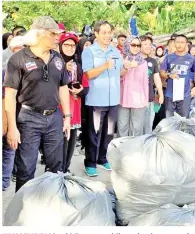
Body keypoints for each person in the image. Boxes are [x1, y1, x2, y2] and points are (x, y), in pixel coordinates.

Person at [4, 16, 70, 192]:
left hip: (54, 117)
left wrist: (67, 116)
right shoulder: (18, 59)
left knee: (56, 166)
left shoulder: (57, 58)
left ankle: (54, 201)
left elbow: (63, 87)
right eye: (53, 34)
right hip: (28, 119)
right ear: (40, 34)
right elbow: (10, 95)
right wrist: (12, 127)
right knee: (26, 168)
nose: (58, 38)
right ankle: (23, 210)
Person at [81, 20, 129, 176]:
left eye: (110, 32)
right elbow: (88, 74)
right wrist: (104, 66)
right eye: (104, 32)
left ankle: (103, 158)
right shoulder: (89, 51)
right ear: (96, 33)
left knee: (108, 132)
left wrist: (127, 68)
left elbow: (119, 72)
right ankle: (91, 163)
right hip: (96, 100)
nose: (108, 35)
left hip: (113, 99)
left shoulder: (115, 52)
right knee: (94, 133)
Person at [58, 32, 85, 174]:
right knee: (60, 143)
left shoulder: (77, 65)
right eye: (66, 44)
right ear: (60, 46)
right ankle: (57, 172)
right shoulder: (54, 62)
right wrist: (63, 68)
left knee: (71, 142)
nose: (70, 48)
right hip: (60, 110)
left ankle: (66, 169)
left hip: (75, 110)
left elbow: (86, 86)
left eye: (73, 45)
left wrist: (80, 91)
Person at [2, 36, 25, 191]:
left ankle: (4, 181)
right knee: (8, 148)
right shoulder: (5, 69)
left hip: (21, 114)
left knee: (11, 148)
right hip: (6, 113)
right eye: (17, 50)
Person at [160, 34, 195, 118]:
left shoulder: (192, 59)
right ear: (174, 43)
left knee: (183, 120)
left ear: (186, 44)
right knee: (170, 121)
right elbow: (162, 73)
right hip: (170, 94)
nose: (179, 44)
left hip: (185, 95)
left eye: (182, 42)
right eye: (177, 42)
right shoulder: (168, 57)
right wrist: (169, 75)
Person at [117, 36, 148, 137]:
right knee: (122, 126)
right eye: (133, 45)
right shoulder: (121, 59)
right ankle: (121, 149)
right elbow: (117, 77)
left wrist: (145, 99)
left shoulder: (143, 63)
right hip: (122, 98)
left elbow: (145, 82)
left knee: (136, 128)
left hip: (138, 99)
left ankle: (134, 150)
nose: (136, 47)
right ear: (127, 45)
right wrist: (127, 67)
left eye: (138, 45)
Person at [140, 36, 164, 134]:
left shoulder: (153, 61)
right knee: (136, 127)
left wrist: (161, 93)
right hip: (136, 100)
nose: (148, 47)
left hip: (149, 98)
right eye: (145, 44)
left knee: (148, 126)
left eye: (149, 44)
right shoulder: (134, 60)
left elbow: (157, 79)